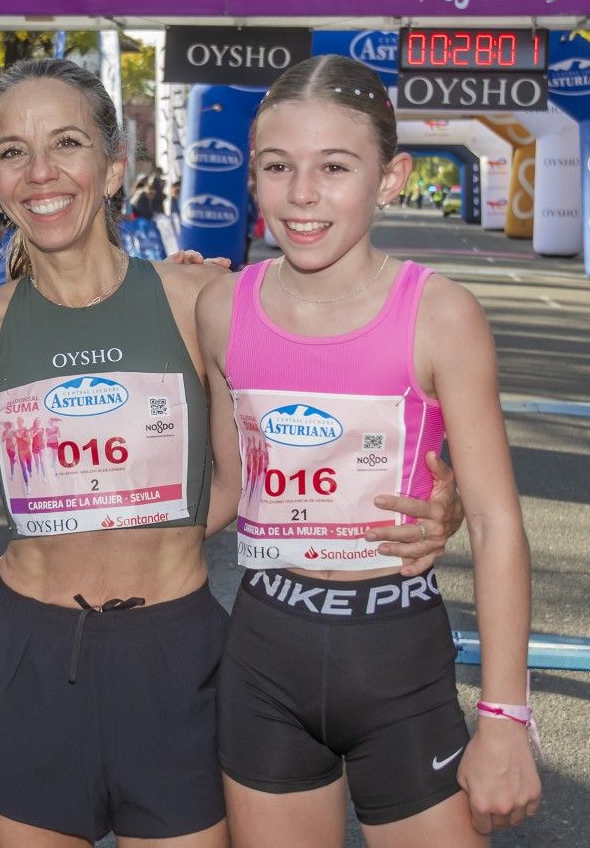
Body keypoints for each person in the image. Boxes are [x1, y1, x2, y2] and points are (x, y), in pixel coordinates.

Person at [0, 58, 463, 848]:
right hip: (27, 662)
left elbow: (313, 426)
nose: (40, 172)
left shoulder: (203, 301)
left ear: (114, 168)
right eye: (12, 151)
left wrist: (436, 499)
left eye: (67, 144)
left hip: (175, 661)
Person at [196, 55, 540, 846]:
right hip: (262, 657)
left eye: (334, 167)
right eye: (277, 167)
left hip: (397, 660)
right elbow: (223, 490)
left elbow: (493, 525)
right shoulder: (219, 309)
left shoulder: (440, 314)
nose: (302, 195)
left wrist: (504, 720)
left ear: (390, 179)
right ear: (251, 177)